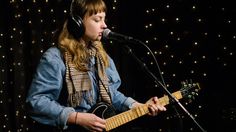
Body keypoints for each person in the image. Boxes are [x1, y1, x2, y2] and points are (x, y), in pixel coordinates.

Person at [26, 0, 166, 131]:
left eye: (104, 19)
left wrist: (137, 106)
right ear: (78, 23)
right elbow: (36, 102)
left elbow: (112, 94)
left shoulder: (102, 57)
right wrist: (76, 118)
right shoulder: (55, 58)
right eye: (97, 20)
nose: (104, 25)